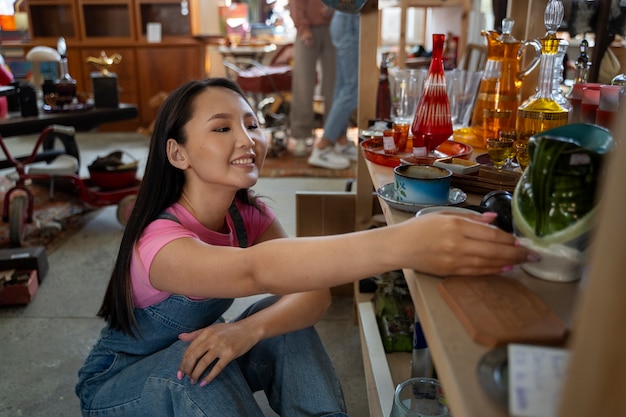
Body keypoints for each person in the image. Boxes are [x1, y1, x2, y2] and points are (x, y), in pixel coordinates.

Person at [75, 77, 539, 417]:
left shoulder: (246, 214)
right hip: (119, 388)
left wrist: (246, 331)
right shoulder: (160, 242)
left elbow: (310, 290)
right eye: (222, 128)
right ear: (178, 154)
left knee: (278, 319)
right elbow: (254, 271)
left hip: (188, 354)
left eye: (252, 124)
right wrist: (403, 241)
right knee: (190, 370)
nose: (248, 139)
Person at [308, 10, 359, 170]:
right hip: (348, 20)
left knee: (344, 86)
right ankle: (322, 147)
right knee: (352, 88)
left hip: (347, 19)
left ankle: (341, 141)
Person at [289, 0, 336, 157]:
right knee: (303, 84)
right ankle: (301, 135)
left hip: (334, 27)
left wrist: (334, 8)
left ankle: (331, 136)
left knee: (334, 85)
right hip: (307, 29)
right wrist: (303, 28)